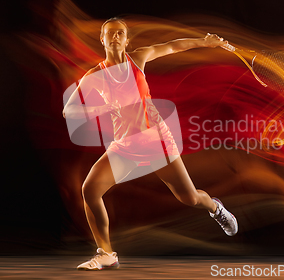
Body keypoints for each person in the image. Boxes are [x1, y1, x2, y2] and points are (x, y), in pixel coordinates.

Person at [63, 18, 238, 271]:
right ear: (102, 39)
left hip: (157, 143)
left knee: (189, 198)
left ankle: (215, 207)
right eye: (109, 33)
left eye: (120, 33)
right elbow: (69, 111)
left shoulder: (139, 58)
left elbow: (172, 46)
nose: (115, 37)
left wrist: (204, 42)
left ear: (126, 39)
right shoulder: (95, 76)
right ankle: (107, 254)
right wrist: (102, 107)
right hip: (124, 147)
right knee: (90, 190)